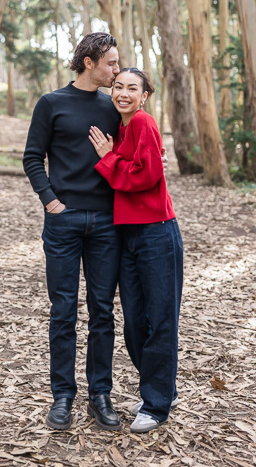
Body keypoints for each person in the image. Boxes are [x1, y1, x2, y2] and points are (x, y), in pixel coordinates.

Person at [23, 32, 122, 432]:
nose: (117, 70)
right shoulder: (51, 104)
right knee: (63, 311)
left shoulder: (114, 106)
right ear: (89, 63)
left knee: (102, 311)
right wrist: (51, 201)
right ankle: (62, 396)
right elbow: (32, 156)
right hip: (63, 222)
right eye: (111, 63)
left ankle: (101, 395)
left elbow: (129, 158)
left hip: (106, 224)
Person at [89, 68, 183, 434]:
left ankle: (158, 404)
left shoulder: (143, 122)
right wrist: (114, 156)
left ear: (144, 96)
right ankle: (160, 387)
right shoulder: (124, 126)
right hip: (127, 235)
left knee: (160, 321)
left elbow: (147, 177)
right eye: (118, 86)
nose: (123, 92)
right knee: (134, 322)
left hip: (157, 233)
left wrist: (109, 158)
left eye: (132, 88)